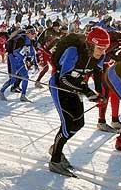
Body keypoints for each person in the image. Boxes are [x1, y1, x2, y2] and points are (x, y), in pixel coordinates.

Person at [47, 27, 110, 176]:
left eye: (104, 49)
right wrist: (87, 92)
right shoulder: (74, 51)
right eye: (100, 48)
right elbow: (63, 79)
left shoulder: (100, 56)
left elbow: (97, 73)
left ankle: (56, 148)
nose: (102, 52)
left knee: (78, 123)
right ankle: (55, 161)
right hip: (59, 86)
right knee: (68, 124)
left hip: (76, 87)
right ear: (91, 44)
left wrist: (99, 93)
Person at [0, 25, 38, 102]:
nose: (34, 34)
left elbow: (33, 53)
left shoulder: (30, 41)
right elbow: (15, 52)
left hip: (20, 60)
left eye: (35, 33)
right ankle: (1, 92)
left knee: (25, 76)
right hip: (13, 59)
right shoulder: (21, 39)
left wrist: (34, 63)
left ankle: (23, 96)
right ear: (28, 33)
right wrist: (26, 57)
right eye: (33, 33)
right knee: (13, 79)